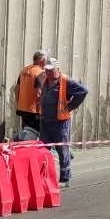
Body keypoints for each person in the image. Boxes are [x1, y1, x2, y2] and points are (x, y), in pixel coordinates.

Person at [38, 59, 88, 187]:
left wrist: (70, 106)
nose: (48, 72)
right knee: (43, 150)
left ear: (58, 69)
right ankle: (42, 178)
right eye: (46, 70)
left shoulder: (66, 81)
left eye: (51, 70)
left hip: (60, 123)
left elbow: (83, 91)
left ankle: (65, 178)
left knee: (62, 150)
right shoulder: (46, 81)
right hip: (45, 122)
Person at [14, 49, 47, 133]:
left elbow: (16, 89)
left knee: (26, 133)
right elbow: (39, 92)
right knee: (34, 134)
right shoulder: (41, 72)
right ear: (43, 61)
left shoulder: (24, 70)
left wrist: (19, 103)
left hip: (23, 109)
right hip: (34, 110)